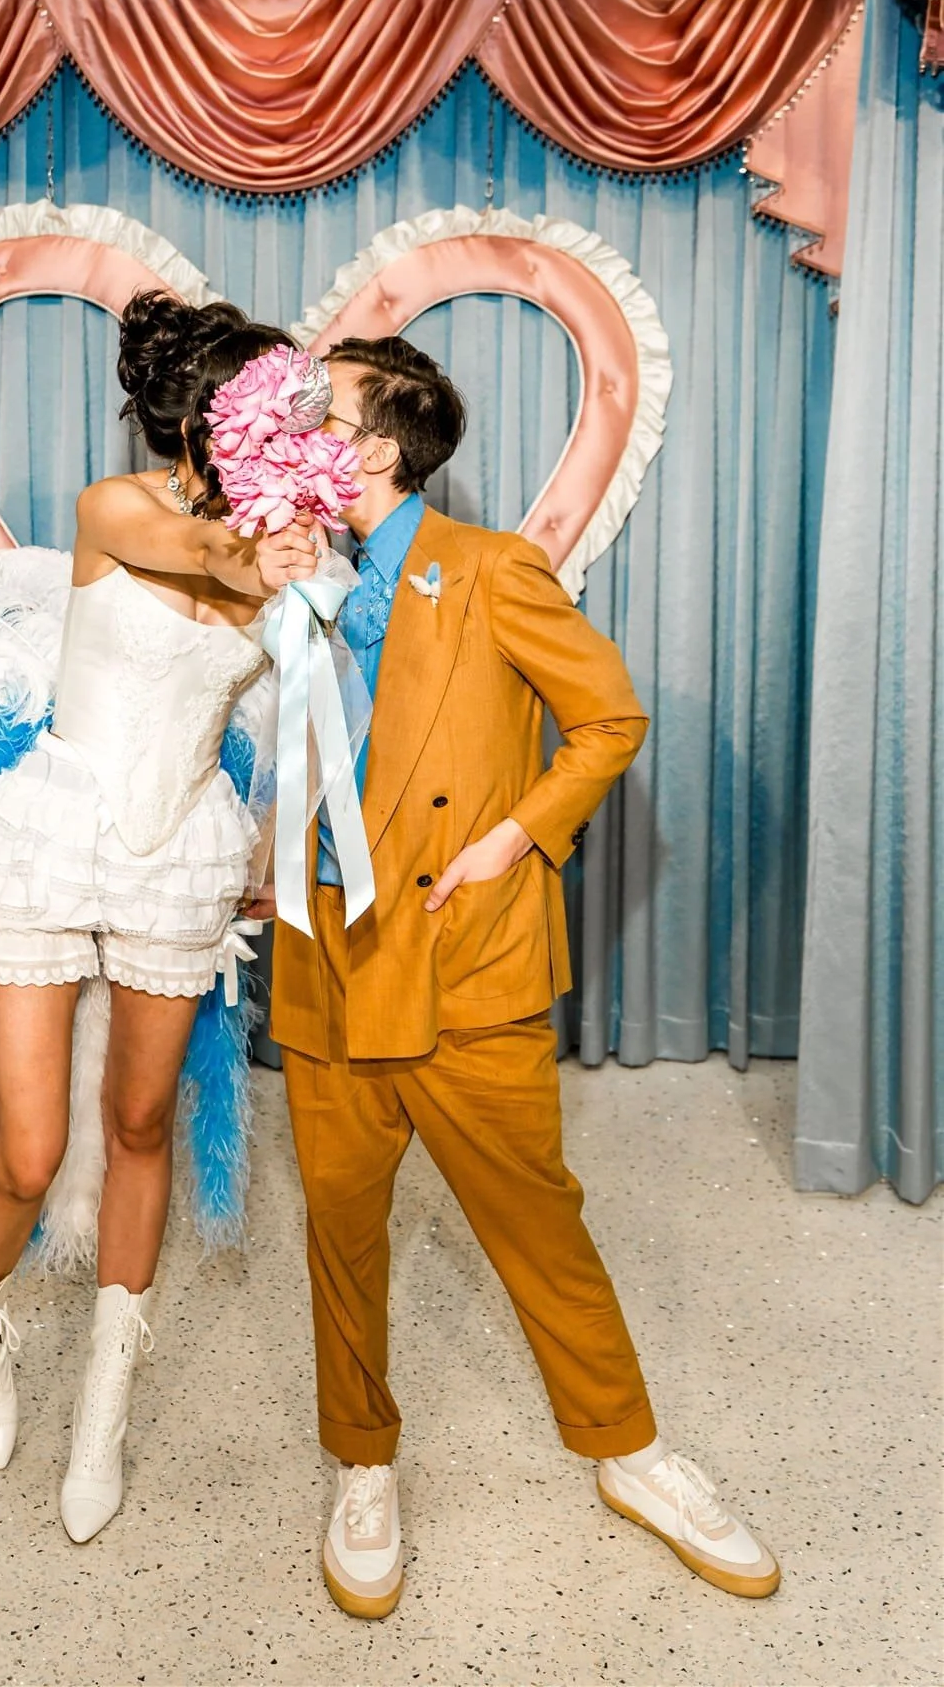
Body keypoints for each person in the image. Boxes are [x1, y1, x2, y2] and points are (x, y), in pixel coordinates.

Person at [270, 334, 781, 1617]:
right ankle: (363, 1456)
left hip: (461, 957)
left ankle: (632, 1451)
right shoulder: (288, 572)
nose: (289, 424)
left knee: (537, 1224)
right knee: (340, 1232)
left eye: (316, 410)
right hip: (327, 953)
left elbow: (608, 716)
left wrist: (516, 832)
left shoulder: (493, 570)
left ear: (378, 446)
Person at [0, 295, 320, 1543]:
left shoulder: (291, 543)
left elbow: (322, 677)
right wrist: (261, 558)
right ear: (212, 420)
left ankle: (107, 1389)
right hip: (55, 832)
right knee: (34, 1149)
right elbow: (212, 563)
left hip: (183, 849)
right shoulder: (119, 511)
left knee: (143, 1120)